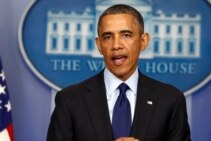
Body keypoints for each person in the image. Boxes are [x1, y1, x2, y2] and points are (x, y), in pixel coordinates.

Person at [47, 4, 191, 141]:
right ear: (99, 45)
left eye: (126, 35)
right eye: (108, 37)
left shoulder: (170, 99)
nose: (116, 45)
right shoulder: (69, 100)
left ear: (143, 41)